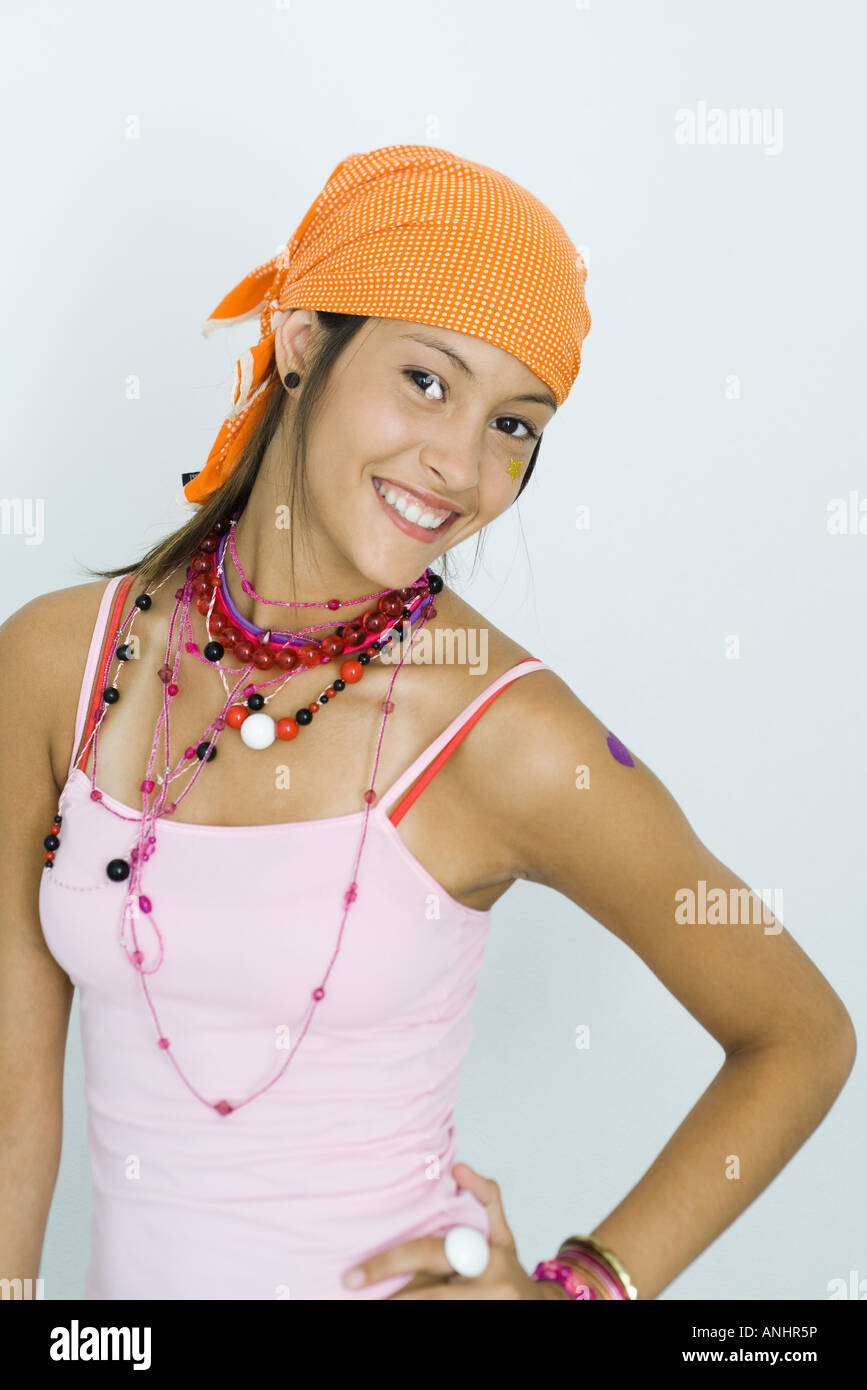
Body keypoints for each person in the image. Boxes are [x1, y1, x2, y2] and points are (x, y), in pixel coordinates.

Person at [0, 144, 855, 1303]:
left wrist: (581, 1288)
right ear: (303, 337)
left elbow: (800, 1032)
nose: (460, 465)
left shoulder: (511, 735)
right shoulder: (62, 661)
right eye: (427, 380)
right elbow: (11, 1113)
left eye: (516, 424)